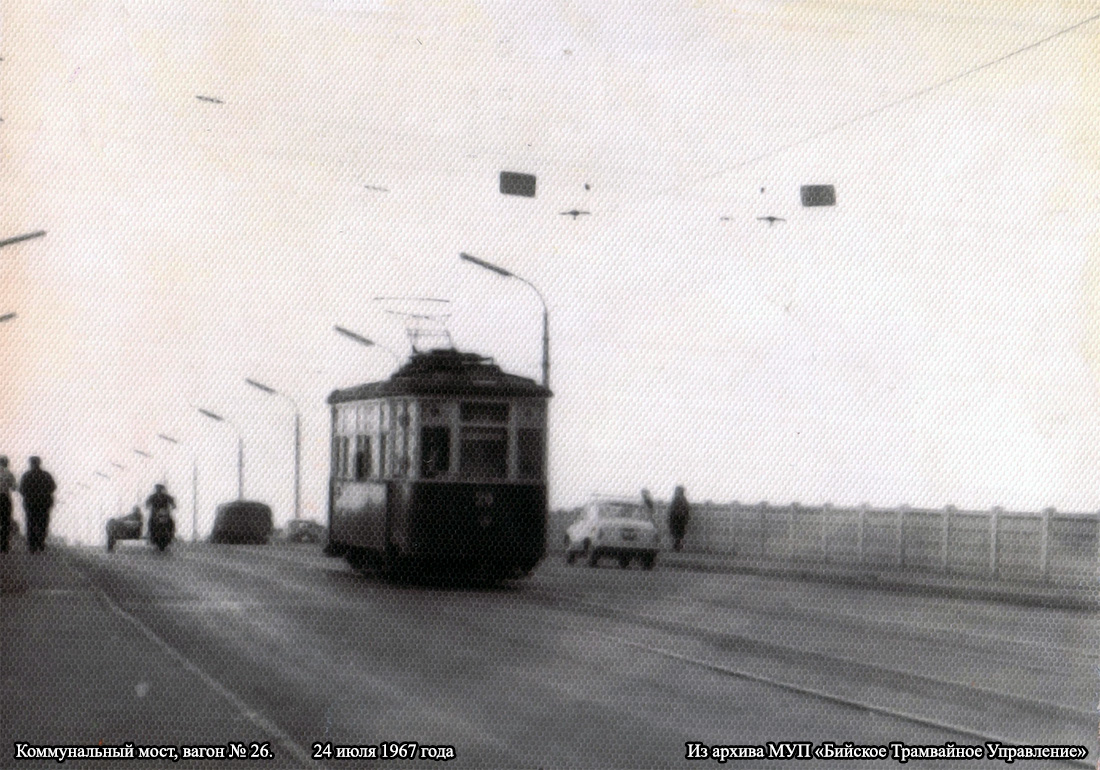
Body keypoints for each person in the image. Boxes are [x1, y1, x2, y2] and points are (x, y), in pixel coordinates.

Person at [19, 456, 56, 553]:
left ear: (30, 463)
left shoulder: (26, 475)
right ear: (39, 463)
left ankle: (32, 544)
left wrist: (28, 495)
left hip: (30, 503)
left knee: (30, 522)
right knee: (43, 523)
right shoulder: (46, 475)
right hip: (44, 503)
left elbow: (21, 489)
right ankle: (40, 542)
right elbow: (53, 487)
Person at [0, 456, 16, 553]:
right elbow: (14, 488)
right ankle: (4, 545)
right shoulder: (8, 473)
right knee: (5, 521)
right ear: (6, 463)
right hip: (4, 498)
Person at [668, 485, 690, 552]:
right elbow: (687, 510)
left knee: (676, 533)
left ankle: (677, 547)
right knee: (678, 534)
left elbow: (672, 509)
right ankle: (677, 546)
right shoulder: (683, 500)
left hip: (677, 518)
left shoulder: (677, 499)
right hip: (679, 518)